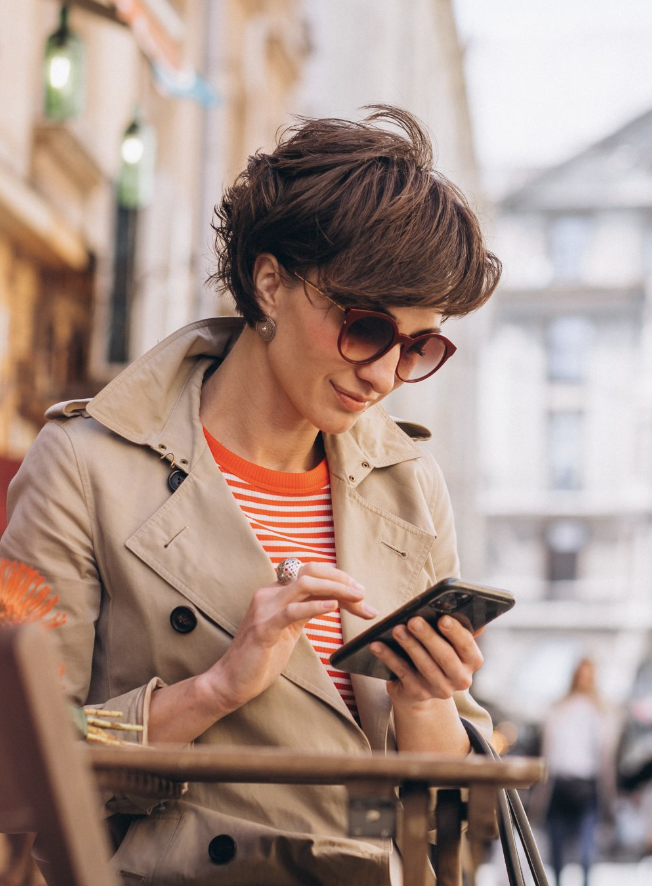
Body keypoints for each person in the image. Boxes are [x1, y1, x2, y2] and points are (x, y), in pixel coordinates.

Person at [0, 106, 501, 885]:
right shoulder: (84, 466)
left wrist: (427, 701)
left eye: (419, 346)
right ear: (270, 283)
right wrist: (215, 688)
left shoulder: (409, 486)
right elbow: (24, 750)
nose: (383, 373)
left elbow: (453, 837)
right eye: (364, 326)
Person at [543, 657, 612, 886]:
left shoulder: (599, 711)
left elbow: (604, 757)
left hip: (586, 785)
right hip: (561, 783)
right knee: (557, 851)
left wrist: (608, 795)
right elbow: (549, 751)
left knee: (586, 851)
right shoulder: (561, 708)